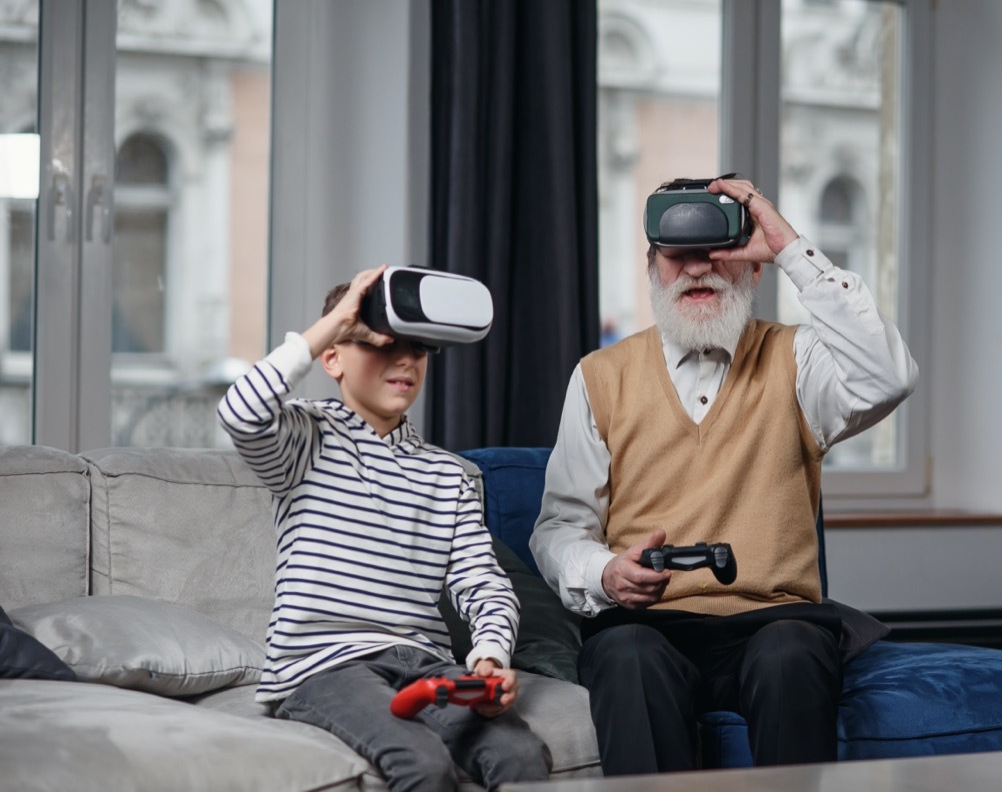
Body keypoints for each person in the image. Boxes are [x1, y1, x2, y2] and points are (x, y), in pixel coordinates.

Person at [529, 175, 919, 774]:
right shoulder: (599, 376)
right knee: (625, 654)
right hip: (648, 625)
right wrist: (605, 572)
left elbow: (888, 375)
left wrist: (791, 248)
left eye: (719, 252)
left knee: (792, 651)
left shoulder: (798, 361)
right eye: (678, 255)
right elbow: (558, 527)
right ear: (652, 266)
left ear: (755, 268)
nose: (698, 269)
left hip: (774, 620)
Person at [217, 265, 551, 792]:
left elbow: (484, 586)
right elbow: (240, 411)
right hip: (322, 666)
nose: (404, 360)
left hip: (424, 662)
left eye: (419, 349)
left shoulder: (446, 475)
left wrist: (489, 656)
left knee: (520, 753)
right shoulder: (306, 439)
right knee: (420, 761)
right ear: (332, 358)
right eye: (379, 343)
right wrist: (341, 317)